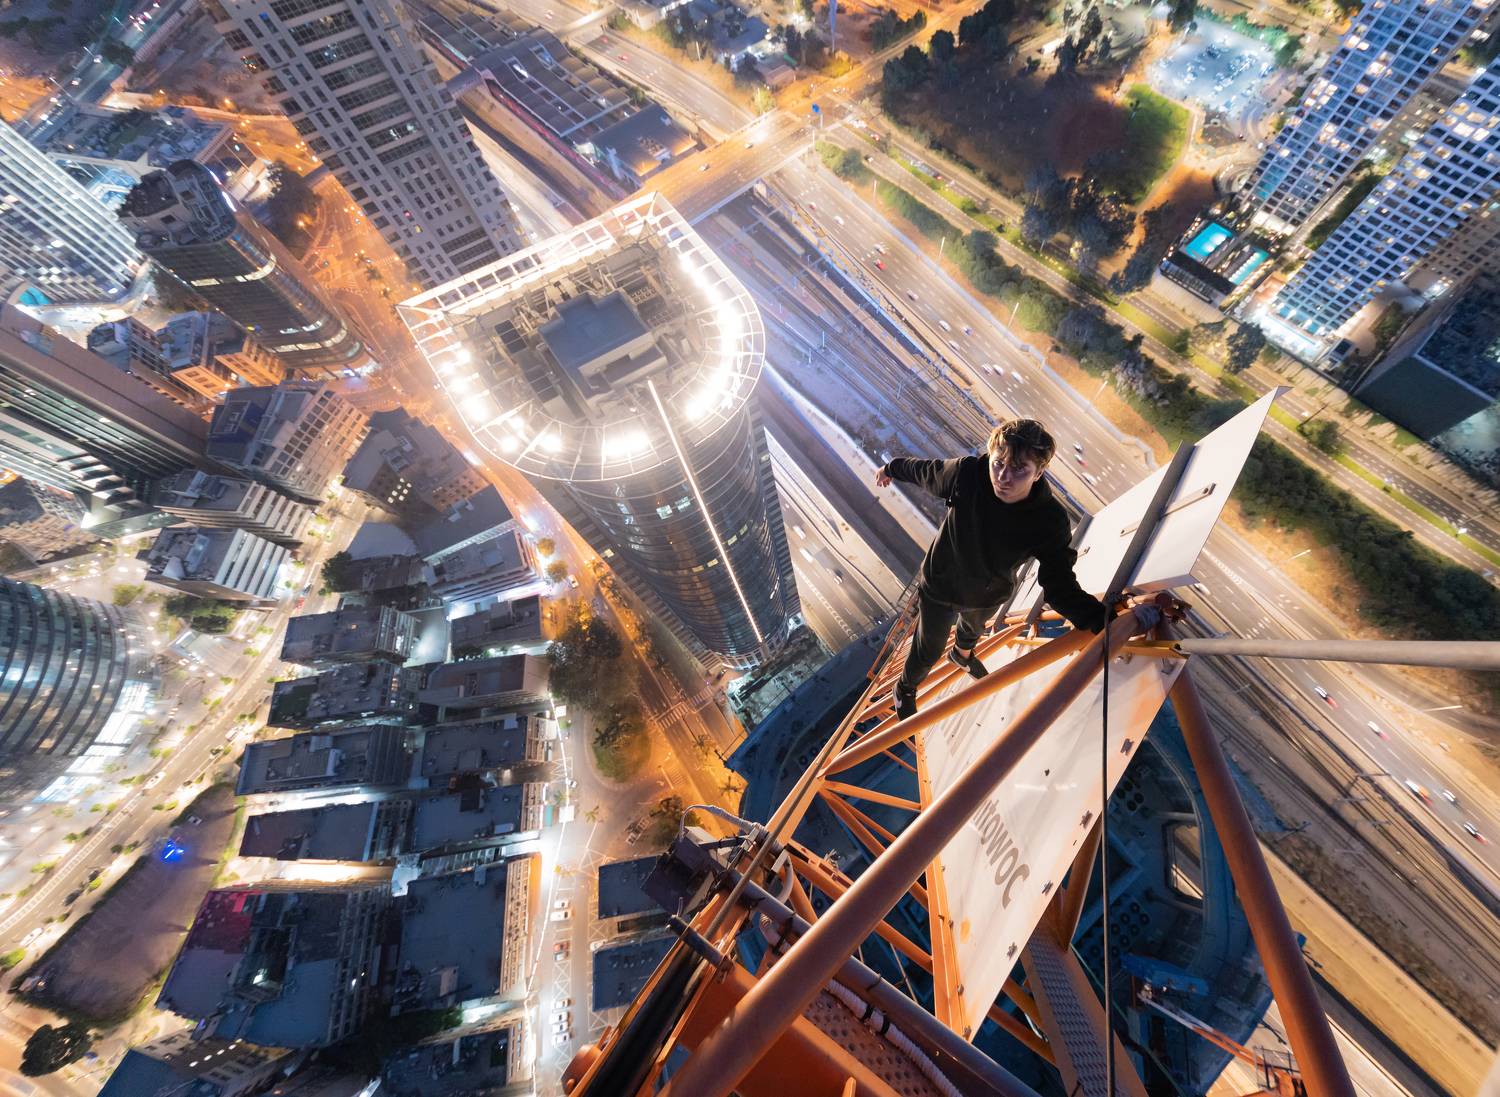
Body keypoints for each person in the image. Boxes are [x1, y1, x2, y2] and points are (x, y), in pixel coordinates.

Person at [875, 418, 1107, 719]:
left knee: (972, 629)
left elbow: (1059, 583)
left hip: (988, 593)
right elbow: (924, 471)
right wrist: (890, 468)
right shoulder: (967, 474)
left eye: (1018, 469)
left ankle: (961, 654)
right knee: (928, 649)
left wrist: (1101, 620)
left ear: (1039, 473)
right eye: (998, 463)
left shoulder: (1049, 521)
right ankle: (905, 688)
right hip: (941, 586)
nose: (1003, 477)